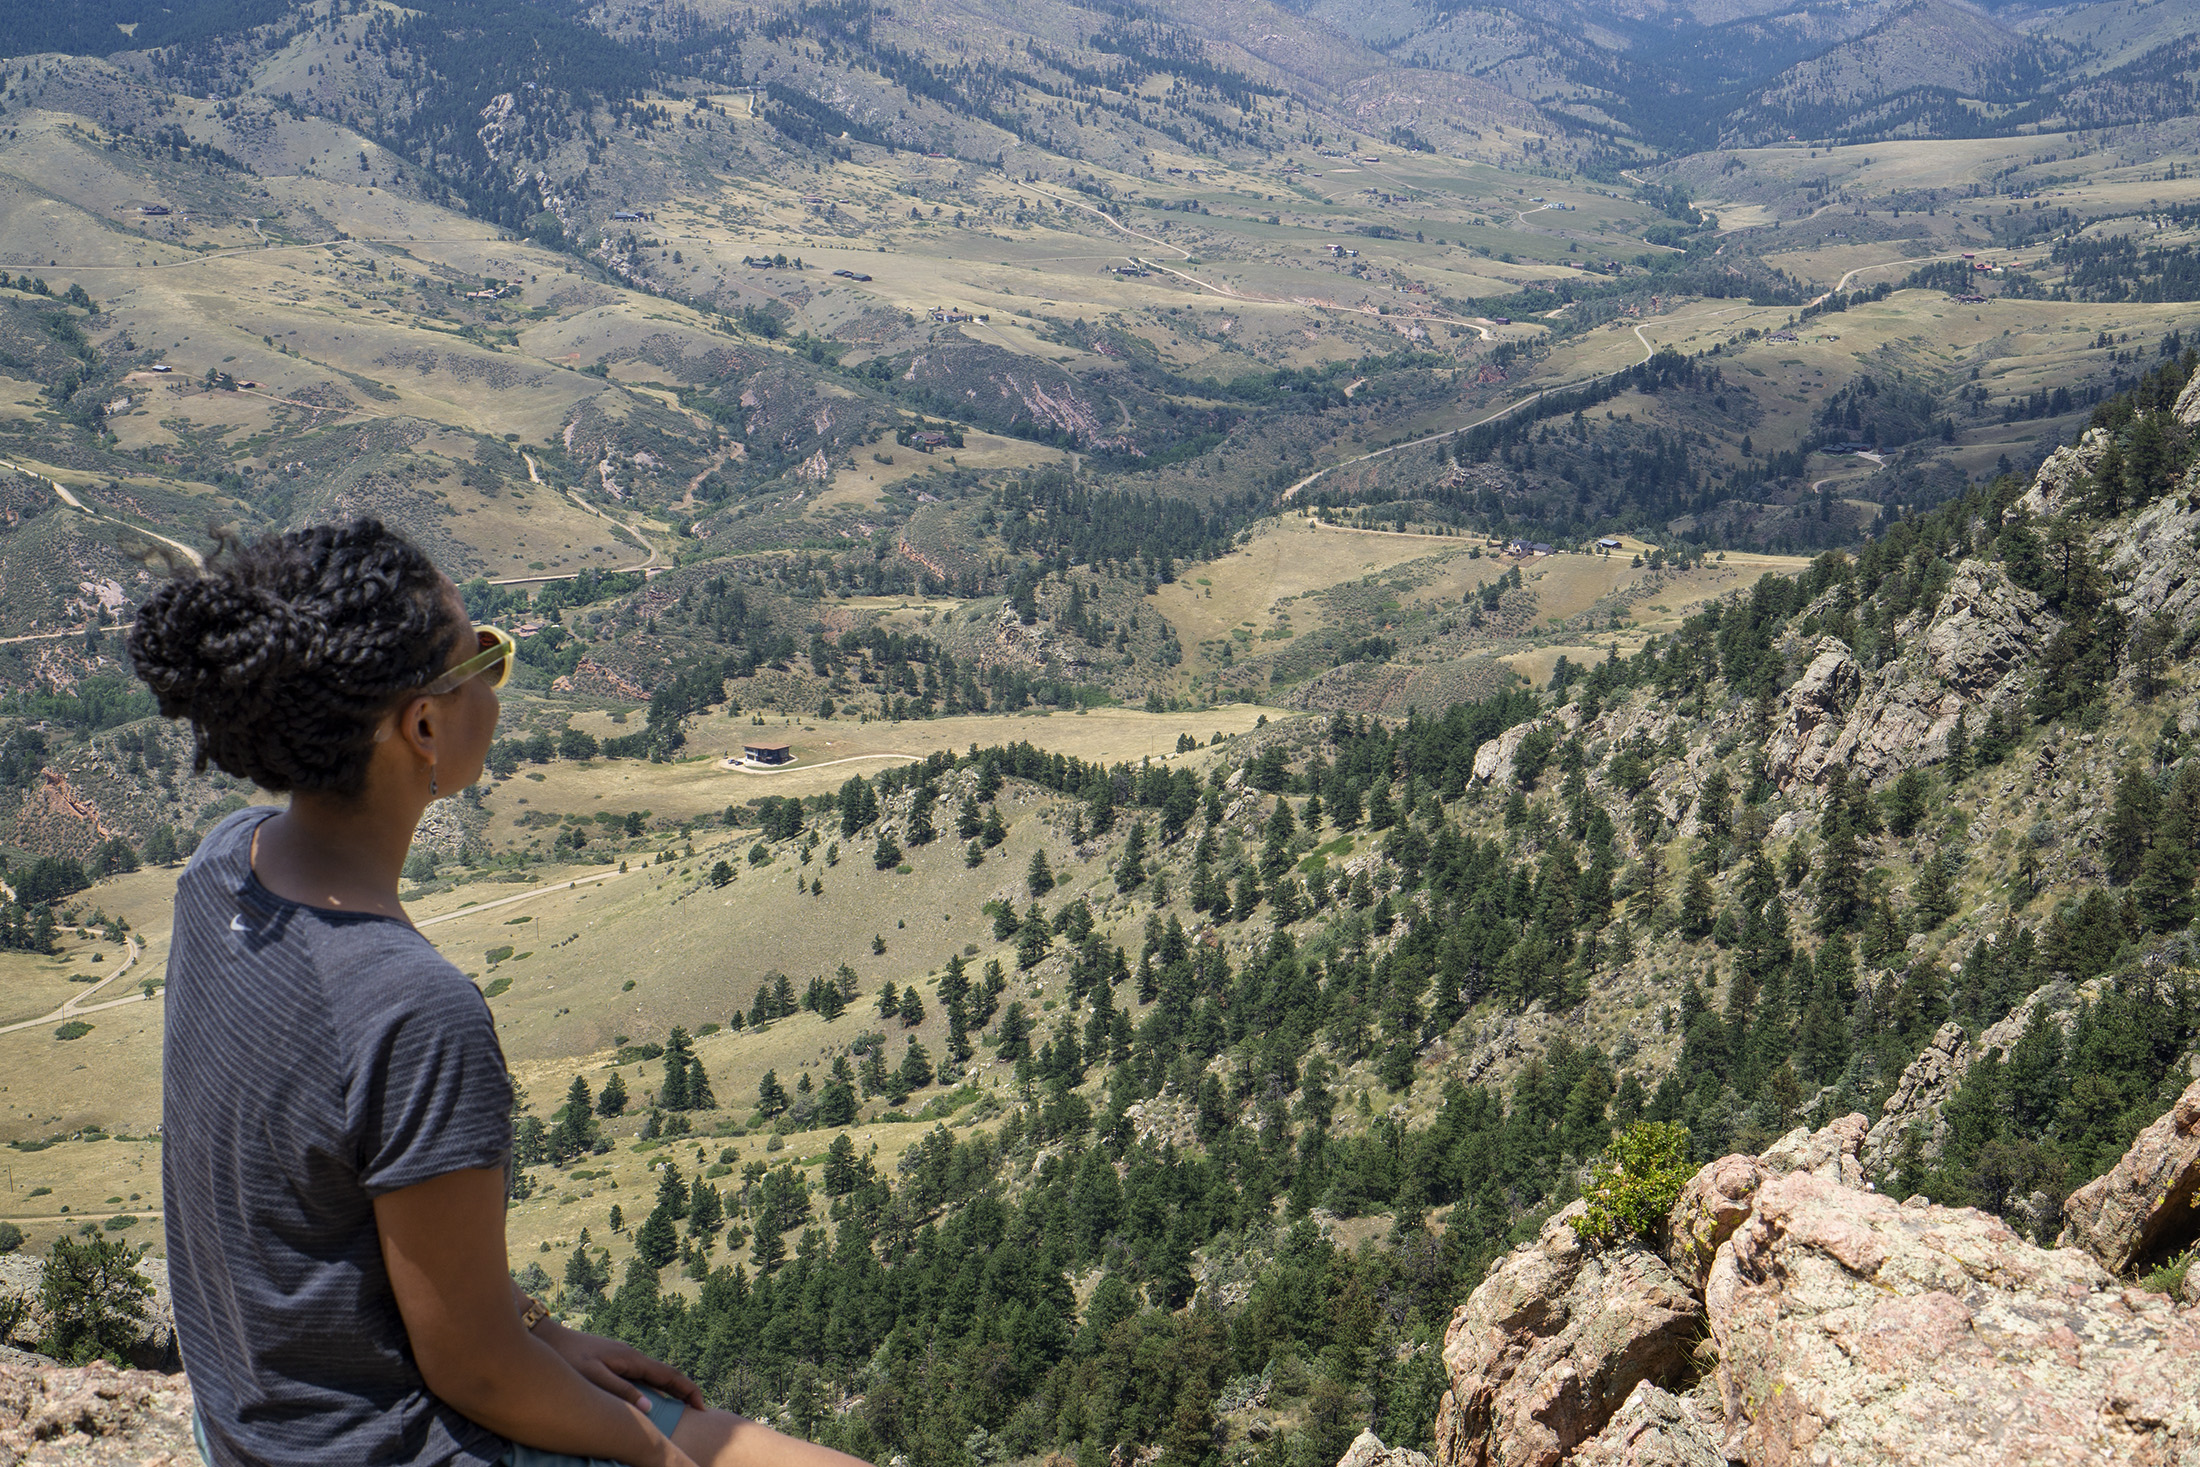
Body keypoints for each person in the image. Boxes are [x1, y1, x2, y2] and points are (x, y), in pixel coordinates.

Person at [130, 520, 867, 1467]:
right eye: (485, 656)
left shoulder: (223, 863)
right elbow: (474, 1374)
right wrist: (655, 1454)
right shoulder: (414, 1009)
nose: (494, 679)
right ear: (424, 725)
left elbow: (336, 1231)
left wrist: (542, 1334)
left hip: (241, 1422)